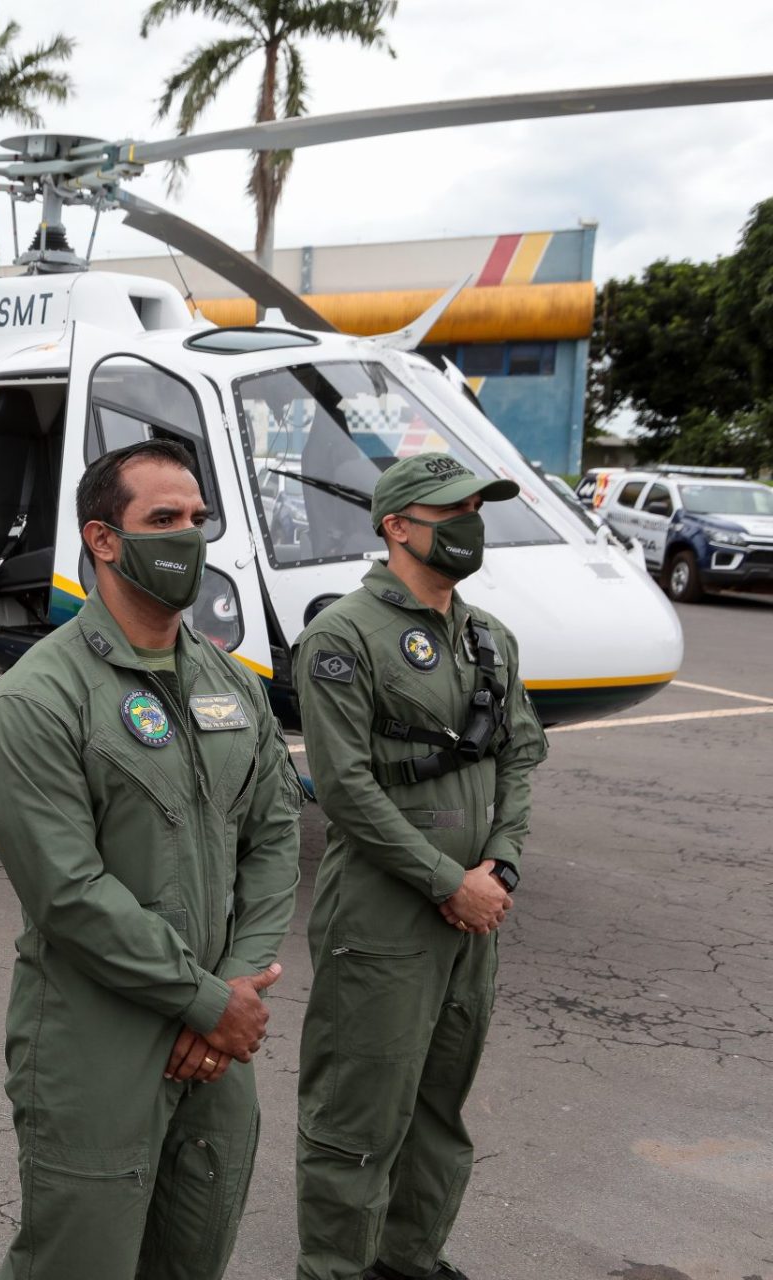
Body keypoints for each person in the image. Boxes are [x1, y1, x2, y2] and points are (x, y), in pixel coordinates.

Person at [0, 440, 303, 1279]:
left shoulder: (233, 685)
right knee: (78, 1264)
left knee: (194, 1255)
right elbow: (69, 895)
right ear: (103, 539)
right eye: (164, 520)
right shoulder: (34, 701)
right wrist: (205, 1002)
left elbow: (273, 838)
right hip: (97, 1043)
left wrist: (233, 988)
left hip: (219, 1035)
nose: (188, 536)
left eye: (197, 519)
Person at [293, 453, 549, 1280]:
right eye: (452, 510)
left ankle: (409, 1257)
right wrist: (450, 882)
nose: (470, 524)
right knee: (359, 1112)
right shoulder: (343, 637)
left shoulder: (490, 637)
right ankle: (336, 1266)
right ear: (397, 525)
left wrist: (500, 866)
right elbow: (345, 789)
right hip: (384, 915)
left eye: (477, 508)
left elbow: (519, 758)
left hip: (476, 913)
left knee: (440, 1106)